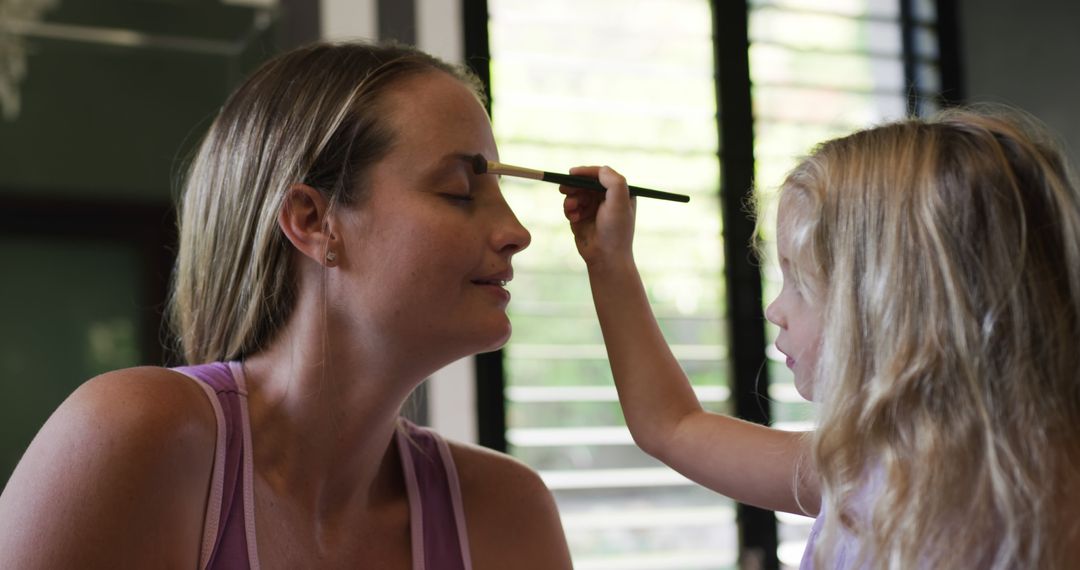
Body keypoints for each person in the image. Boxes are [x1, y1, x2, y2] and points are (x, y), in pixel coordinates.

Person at [0, 41, 572, 569]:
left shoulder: (506, 512)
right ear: (312, 221)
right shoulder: (136, 432)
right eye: (459, 192)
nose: (516, 231)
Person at [558, 108, 1080, 568]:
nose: (775, 309)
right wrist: (610, 262)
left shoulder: (1027, 509)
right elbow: (671, 426)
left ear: (895, 300)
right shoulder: (864, 469)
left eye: (800, 282)